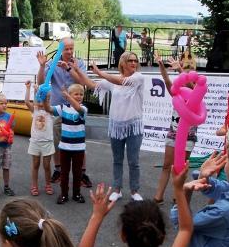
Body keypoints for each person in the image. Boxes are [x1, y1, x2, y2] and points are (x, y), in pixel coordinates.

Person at [72, 52, 146, 201]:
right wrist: (75, 70)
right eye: (130, 60)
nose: (134, 63)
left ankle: (134, 191)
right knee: (117, 160)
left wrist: (100, 73)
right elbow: (91, 84)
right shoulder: (113, 81)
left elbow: (121, 82)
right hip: (116, 126)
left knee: (133, 161)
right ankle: (117, 189)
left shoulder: (138, 77)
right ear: (123, 63)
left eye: (135, 60)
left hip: (134, 126)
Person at [36, 39, 92, 188]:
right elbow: (41, 82)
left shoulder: (78, 63)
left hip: (75, 109)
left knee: (79, 140)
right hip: (58, 108)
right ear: (61, 49)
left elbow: (83, 82)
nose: (69, 51)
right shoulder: (52, 63)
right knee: (57, 141)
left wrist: (69, 69)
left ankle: (82, 173)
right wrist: (42, 66)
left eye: (71, 48)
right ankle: (58, 169)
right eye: (66, 49)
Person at [152, 52, 199, 204]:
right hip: (173, 134)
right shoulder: (177, 93)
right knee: (167, 165)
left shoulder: (197, 92)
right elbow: (167, 81)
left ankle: (177, 197)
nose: (186, 73)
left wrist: (180, 70)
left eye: (188, 70)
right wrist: (161, 65)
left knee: (181, 167)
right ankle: (158, 197)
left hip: (188, 136)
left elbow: (193, 88)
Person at [52, 84, 87, 204]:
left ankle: (77, 194)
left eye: (81, 94)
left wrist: (67, 96)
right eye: (76, 94)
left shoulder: (83, 109)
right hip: (64, 147)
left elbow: (78, 108)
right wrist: (45, 99)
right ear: (70, 95)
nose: (79, 96)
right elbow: (49, 109)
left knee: (77, 172)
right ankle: (64, 194)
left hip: (79, 147)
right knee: (64, 172)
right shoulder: (63, 108)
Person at [24, 81, 55, 196]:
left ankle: (48, 184)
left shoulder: (50, 111)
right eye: (39, 99)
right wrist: (28, 88)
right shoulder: (35, 111)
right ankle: (34, 185)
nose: (41, 102)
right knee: (35, 164)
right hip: (35, 142)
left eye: (46, 99)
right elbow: (27, 102)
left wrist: (42, 94)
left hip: (47, 142)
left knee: (47, 166)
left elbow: (46, 101)